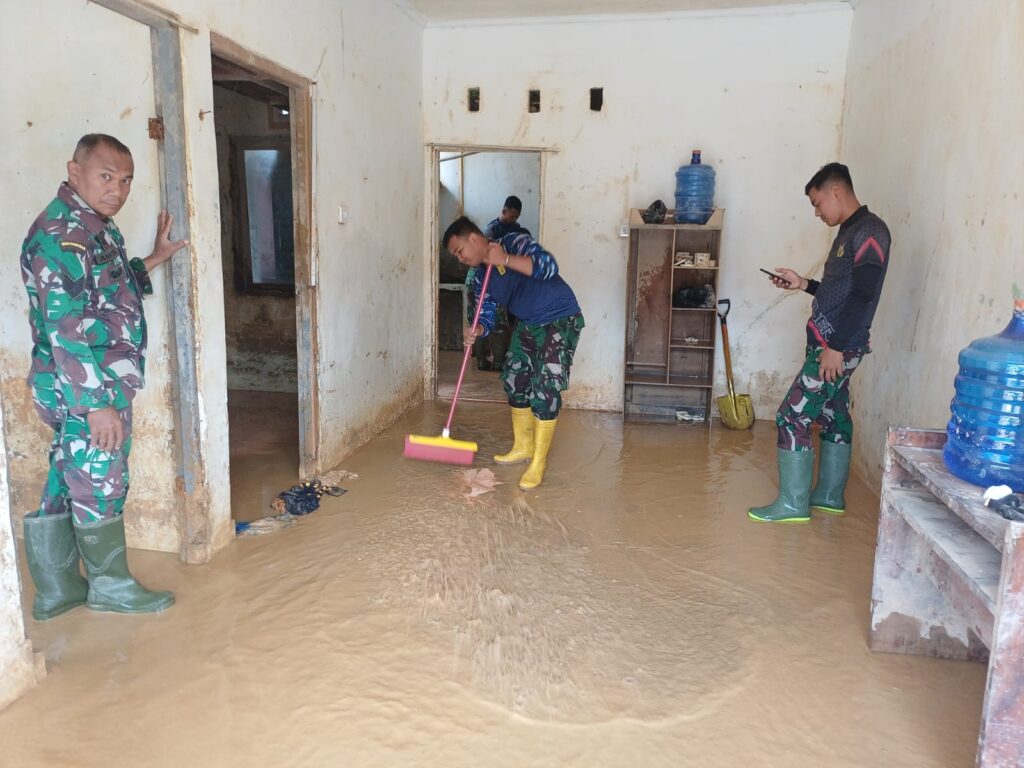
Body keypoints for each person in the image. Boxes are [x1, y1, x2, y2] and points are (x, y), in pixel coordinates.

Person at [20, 133, 188, 619]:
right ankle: (110, 587)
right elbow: (65, 327)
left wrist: (156, 256)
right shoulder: (62, 235)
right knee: (99, 481)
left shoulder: (94, 227)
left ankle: (57, 591)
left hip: (80, 386)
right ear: (76, 172)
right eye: (106, 176)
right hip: (85, 389)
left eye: (126, 180)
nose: (117, 189)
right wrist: (97, 404)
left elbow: (108, 289)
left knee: (68, 476)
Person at [748, 162, 891, 523]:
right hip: (832, 345)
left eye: (817, 203)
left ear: (836, 192)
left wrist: (837, 348)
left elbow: (863, 296)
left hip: (838, 347)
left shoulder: (870, 232)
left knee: (791, 415)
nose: (816, 212)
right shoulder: (849, 232)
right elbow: (839, 290)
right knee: (833, 415)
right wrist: (803, 284)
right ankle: (828, 496)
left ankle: (793, 505)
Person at [443, 216, 584, 490]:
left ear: (473, 240)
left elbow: (548, 267)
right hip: (529, 322)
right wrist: (477, 330)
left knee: (545, 387)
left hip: (559, 316)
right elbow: (487, 315)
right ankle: (523, 446)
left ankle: (539, 461)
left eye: (459, 251)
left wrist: (505, 259)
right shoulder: (479, 277)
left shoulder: (513, 242)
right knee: (514, 379)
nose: (459, 259)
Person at [466, 195, 530, 370]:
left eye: (516, 217)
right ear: (504, 211)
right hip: (484, 280)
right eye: (511, 216)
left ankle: (499, 362)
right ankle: (483, 360)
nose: (514, 220)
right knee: (481, 320)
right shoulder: (491, 231)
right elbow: (486, 262)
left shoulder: (517, 230)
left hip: (498, 281)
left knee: (499, 322)